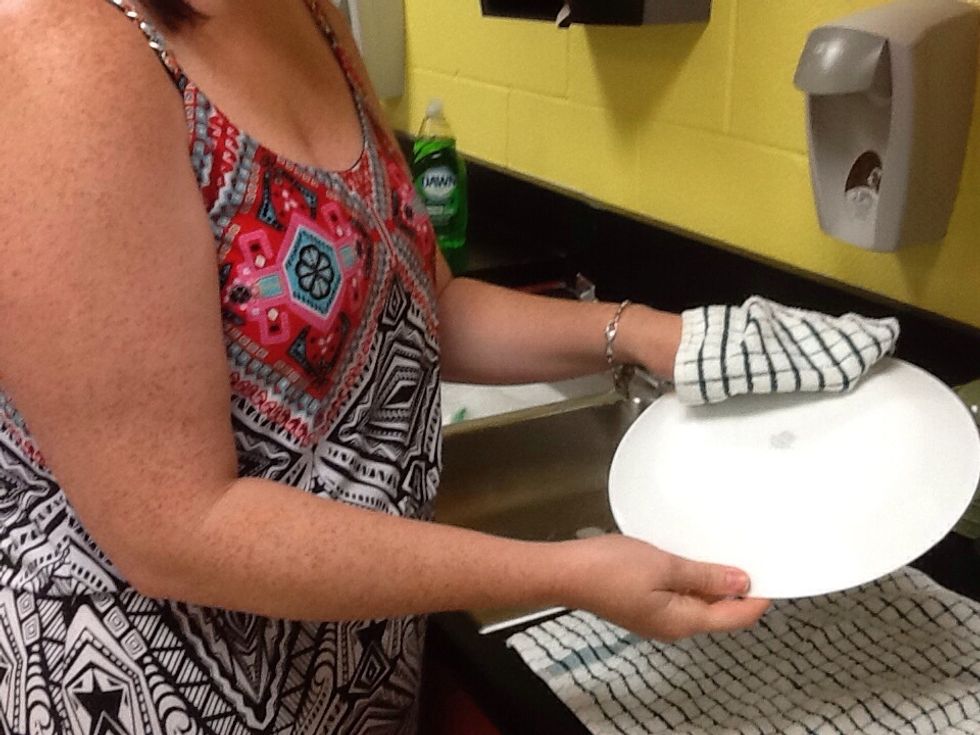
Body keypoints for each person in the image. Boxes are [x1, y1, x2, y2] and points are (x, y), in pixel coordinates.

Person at [1, 1, 801, 732]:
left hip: (356, 680)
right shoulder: (61, 44)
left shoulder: (308, 12)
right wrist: (567, 572)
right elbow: (175, 524)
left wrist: (654, 335)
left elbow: (418, 302)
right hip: (157, 695)